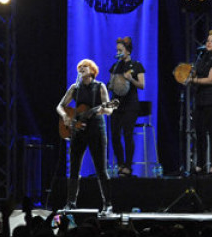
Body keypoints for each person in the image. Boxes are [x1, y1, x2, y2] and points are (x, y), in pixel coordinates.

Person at [56, 59, 116, 212]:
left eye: (85, 66)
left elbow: (109, 109)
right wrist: (65, 116)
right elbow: (60, 106)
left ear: (92, 70)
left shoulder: (99, 86)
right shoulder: (75, 88)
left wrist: (103, 110)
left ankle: (108, 204)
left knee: (101, 168)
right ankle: (70, 202)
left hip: (96, 129)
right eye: (80, 67)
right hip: (78, 130)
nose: (82, 68)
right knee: (74, 168)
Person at [184, 30, 212, 176]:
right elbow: (193, 74)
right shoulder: (202, 58)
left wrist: (193, 80)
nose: (209, 43)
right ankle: (200, 165)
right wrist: (189, 74)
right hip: (201, 101)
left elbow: (211, 79)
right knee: (200, 134)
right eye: (208, 40)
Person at [107, 36, 146, 177]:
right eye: (117, 50)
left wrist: (131, 79)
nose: (118, 52)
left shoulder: (137, 66)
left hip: (130, 105)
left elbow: (142, 85)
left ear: (128, 51)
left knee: (128, 135)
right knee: (115, 136)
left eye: (120, 50)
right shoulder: (115, 66)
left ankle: (128, 167)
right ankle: (120, 164)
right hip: (116, 105)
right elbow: (110, 85)